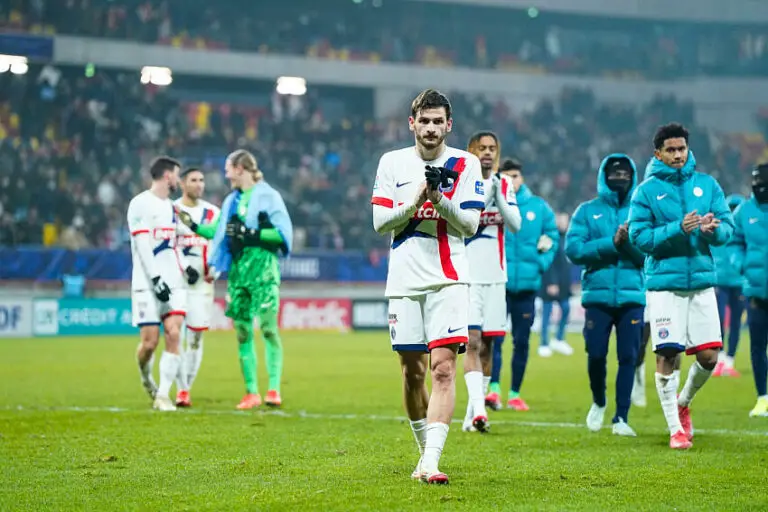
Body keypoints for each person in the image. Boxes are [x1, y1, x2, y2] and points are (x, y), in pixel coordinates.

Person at [371, 89, 484, 484]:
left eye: (438, 121)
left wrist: (439, 200)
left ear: (449, 125)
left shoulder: (466, 164)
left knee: (443, 369)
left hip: (449, 279)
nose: (431, 128)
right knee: (412, 373)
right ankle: (424, 454)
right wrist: (417, 199)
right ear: (412, 123)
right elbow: (380, 223)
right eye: (425, 121)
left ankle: (432, 462)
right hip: (404, 281)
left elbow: (469, 225)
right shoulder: (392, 162)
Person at [628, 123, 733, 449]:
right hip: (664, 286)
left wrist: (713, 231)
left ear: (688, 149)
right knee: (668, 353)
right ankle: (675, 430)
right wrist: (678, 228)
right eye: (671, 150)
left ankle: (683, 402)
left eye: (681, 149)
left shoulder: (707, 184)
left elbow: (727, 229)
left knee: (709, 357)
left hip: (700, 283)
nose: (677, 155)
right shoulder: (646, 191)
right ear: (658, 153)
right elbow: (639, 238)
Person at [566, 154, 646, 436]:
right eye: (615, 173)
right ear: (604, 175)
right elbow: (573, 250)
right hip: (598, 298)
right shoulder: (587, 211)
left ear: (632, 177)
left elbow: (648, 257)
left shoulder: (641, 212)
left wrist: (627, 245)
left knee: (628, 357)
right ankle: (599, 401)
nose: (620, 178)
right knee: (596, 354)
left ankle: (621, 417)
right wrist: (611, 243)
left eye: (625, 174)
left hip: (632, 297)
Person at [208, 150, 293, 410]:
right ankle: (251, 392)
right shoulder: (230, 201)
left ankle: (274, 389)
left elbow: (282, 235)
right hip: (238, 271)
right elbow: (218, 232)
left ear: (240, 168)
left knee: (268, 328)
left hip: (263, 269)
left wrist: (251, 233)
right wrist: (193, 226)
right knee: (243, 332)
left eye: (228, 169)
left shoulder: (269, 196)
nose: (226, 175)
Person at [487, 158, 558, 411]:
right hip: (498, 284)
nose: (511, 181)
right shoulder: (491, 204)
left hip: (527, 286)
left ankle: (515, 393)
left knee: (522, 341)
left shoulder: (538, 207)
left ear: (522, 178)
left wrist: (540, 264)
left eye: (514, 176)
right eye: (505, 176)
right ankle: (494, 390)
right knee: (494, 339)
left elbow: (552, 237)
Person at [462, 131, 521, 432]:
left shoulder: (505, 184)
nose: (487, 152)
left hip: (496, 277)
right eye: (481, 148)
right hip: (468, 277)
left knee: (488, 346)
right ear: (471, 151)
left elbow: (516, 225)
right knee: (471, 341)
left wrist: (498, 194)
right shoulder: (461, 182)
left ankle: (472, 414)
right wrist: (488, 196)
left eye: (492, 148)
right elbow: (466, 224)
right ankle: (479, 411)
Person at [127, 156, 188, 412]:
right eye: (177, 175)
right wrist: (155, 278)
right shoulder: (139, 204)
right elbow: (142, 244)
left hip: (173, 282)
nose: (179, 180)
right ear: (167, 175)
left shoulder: (173, 209)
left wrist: (187, 267)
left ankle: (163, 395)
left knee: (174, 333)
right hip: (146, 282)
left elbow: (179, 242)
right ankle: (146, 378)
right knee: (150, 343)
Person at [172, 167, 221, 407]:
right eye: (193, 180)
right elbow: (166, 246)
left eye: (202, 180)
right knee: (175, 334)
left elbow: (220, 248)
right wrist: (182, 268)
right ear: (182, 183)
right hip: (176, 284)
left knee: (196, 337)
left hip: (202, 285)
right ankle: (181, 389)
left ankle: (187, 387)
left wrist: (215, 271)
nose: (199, 184)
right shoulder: (172, 211)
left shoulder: (213, 212)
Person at [729, 164, 768, 417]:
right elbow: (733, 242)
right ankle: (762, 398)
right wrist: (742, 265)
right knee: (757, 347)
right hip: (756, 291)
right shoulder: (744, 211)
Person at [712, 194, 747, 378]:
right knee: (720, 320)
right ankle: (721, 359)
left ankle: (729, 360)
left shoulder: (744, 226)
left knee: (734, 322)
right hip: (721, 280)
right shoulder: (719, 224)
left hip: (738, 281)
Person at [540, 212, 574, 357]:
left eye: (565, 220)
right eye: (560, 219)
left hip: (564, 283)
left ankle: (559, 339)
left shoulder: (568, 238)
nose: (563, 223)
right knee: (546, 313)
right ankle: (544, 343)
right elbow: (548, 262)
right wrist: (551, 282)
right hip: (550, 283)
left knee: (566, 309)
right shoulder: (548, 237)